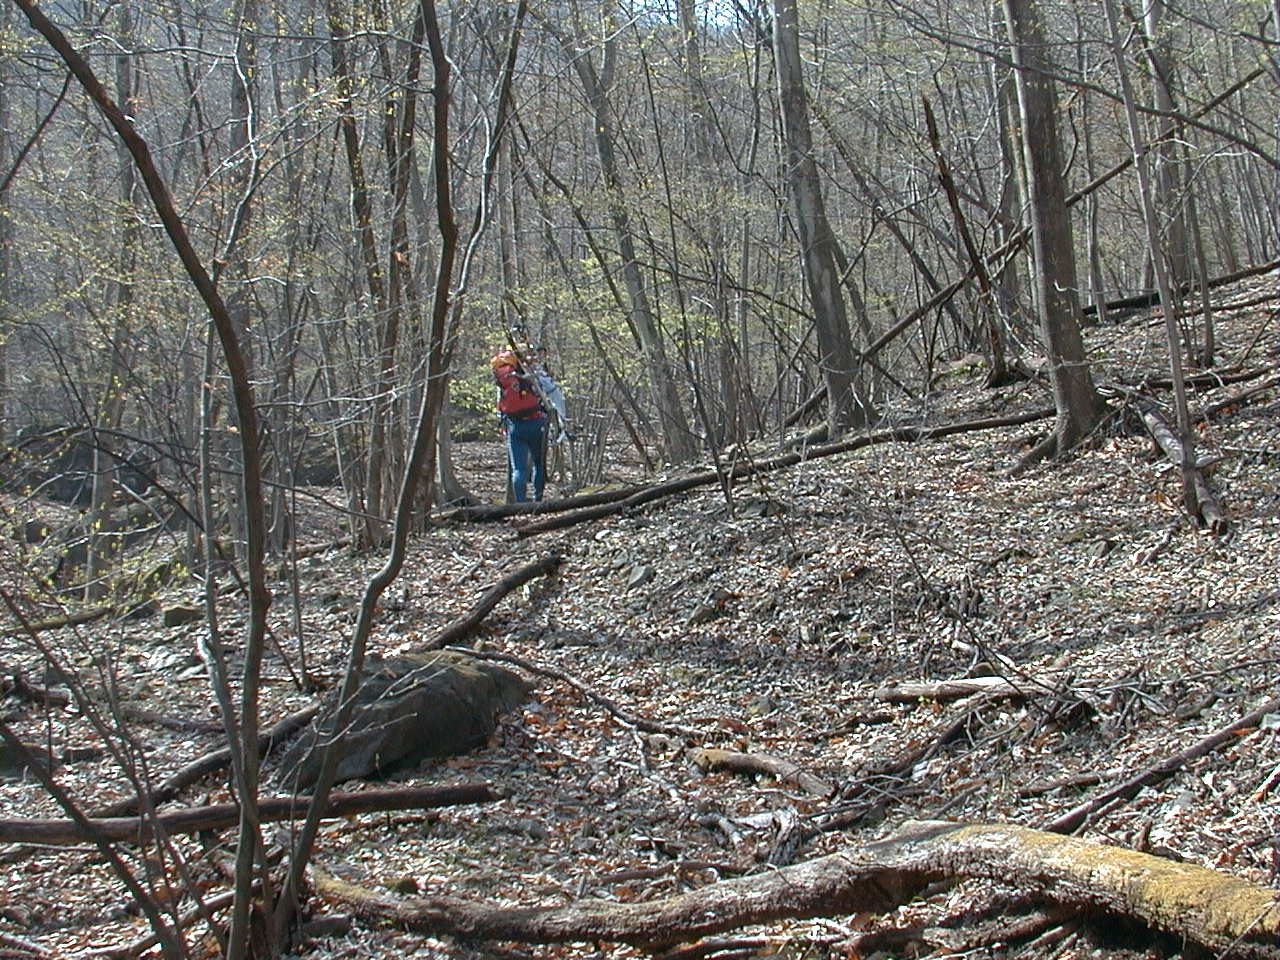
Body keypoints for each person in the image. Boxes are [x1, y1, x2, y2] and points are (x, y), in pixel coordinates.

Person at [490, 346, 549, 502]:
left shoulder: (504, 378)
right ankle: (538, 500)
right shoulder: (533, 372)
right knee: (539, 463)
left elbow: (500, 403)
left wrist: (502, 422)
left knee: (519, 469)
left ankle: (520, 504)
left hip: (515, 426)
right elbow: (549, 392)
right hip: (537, 423)